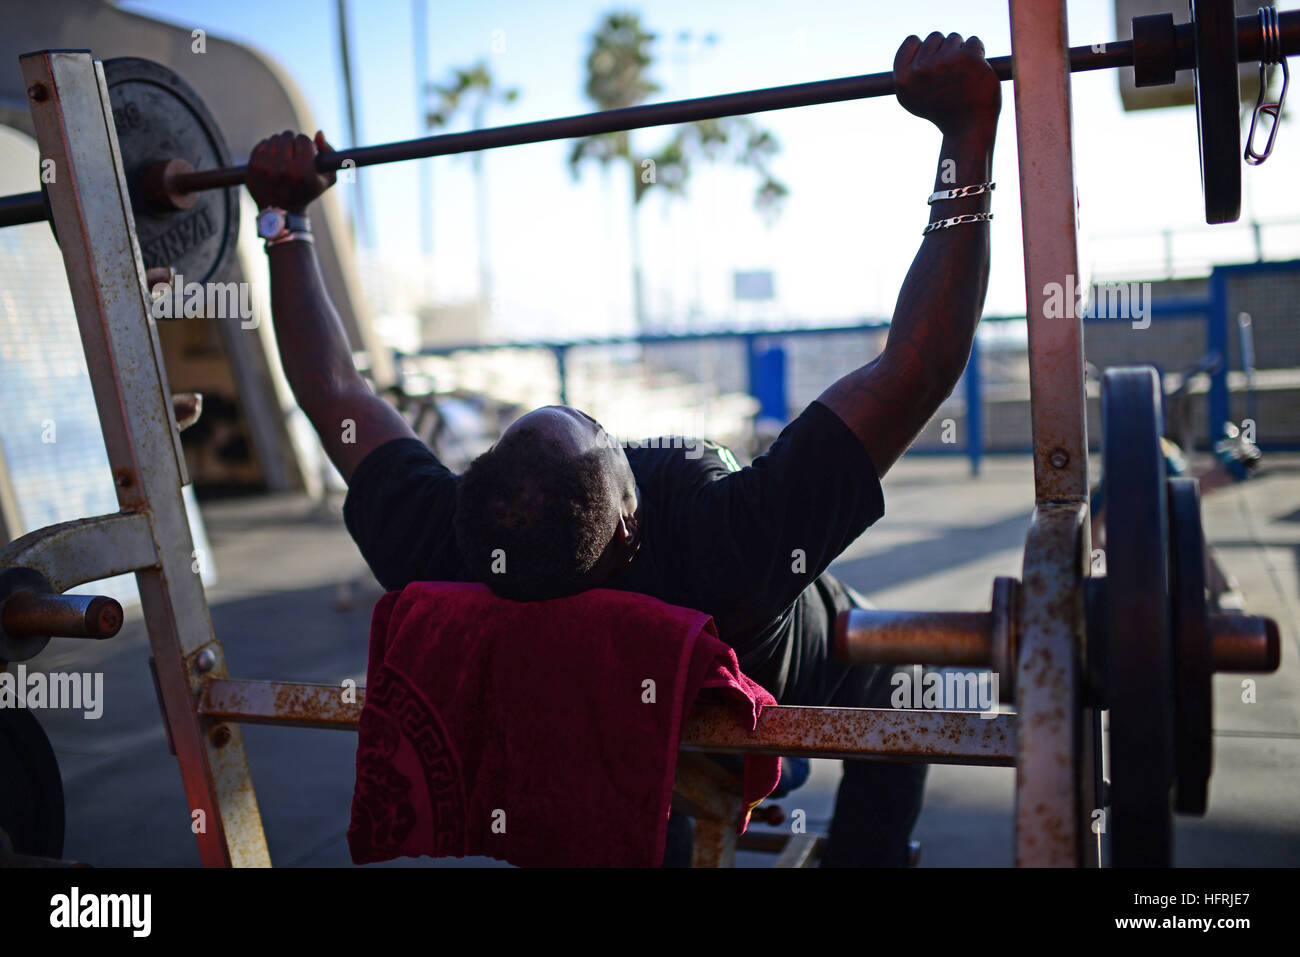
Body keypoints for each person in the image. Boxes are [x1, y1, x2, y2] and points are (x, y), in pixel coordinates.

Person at [245, 31, 1001, 867]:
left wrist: (283, 222)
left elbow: (335, 394)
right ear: (632, 524)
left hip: (602, 709)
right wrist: (965, 137)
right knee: (907, 674)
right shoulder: (730, 543)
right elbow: (918, 366)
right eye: (601, 434)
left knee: (650, 730)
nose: (606, 424)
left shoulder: (447, 543)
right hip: (763, 677)